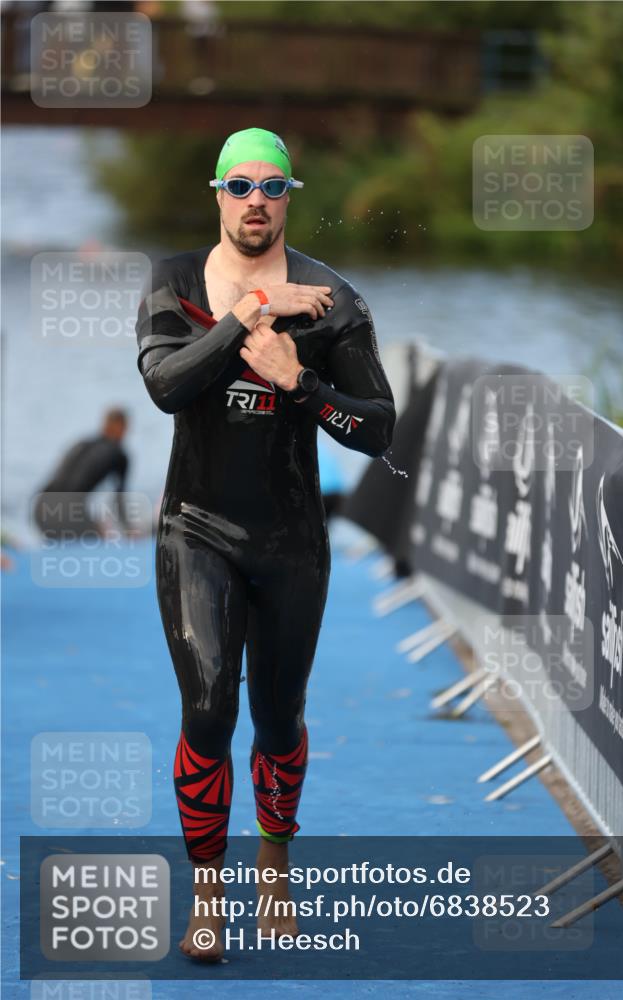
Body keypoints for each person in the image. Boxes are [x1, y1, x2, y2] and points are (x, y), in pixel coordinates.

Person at [135, 127, 395, 962]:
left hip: (291, 540)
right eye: (241, 185)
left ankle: (273, 866)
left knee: (278, 718)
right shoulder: (174, 281)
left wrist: (301, 382)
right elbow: (166, 385)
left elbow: (378, 430)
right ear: (218, 193)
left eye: (273, 187)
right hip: (195, 528)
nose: (257, 200)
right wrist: (250, 311)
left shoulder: (333, 300)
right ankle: (208, 896)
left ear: (289, 198)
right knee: (209, 708)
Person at [32, 408, 132, 540]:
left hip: (40, 510)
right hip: (68, 514)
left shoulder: (81, 444)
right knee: (101, 537)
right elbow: (118, 501)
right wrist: (129, 531)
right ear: (122, 427)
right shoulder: (118, 454)